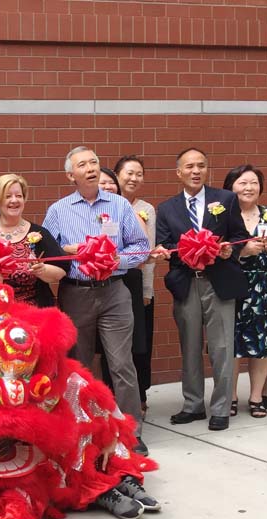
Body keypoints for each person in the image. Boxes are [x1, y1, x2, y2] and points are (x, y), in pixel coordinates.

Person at [42, 147, 150, 457]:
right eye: (82, 165)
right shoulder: (58, 210)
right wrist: (69, 249)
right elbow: (48, 252)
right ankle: (82, 429)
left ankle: (131, 431)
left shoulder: (118, 205)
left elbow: (140, 247)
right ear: (70, 175)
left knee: (122, 365)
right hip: (76, 292)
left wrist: (117, 260)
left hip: (115, 291)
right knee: (79, 366)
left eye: (94, 163)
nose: (90, 168)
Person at [154, 148, 249, 432]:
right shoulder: (167, 208)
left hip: (219, 281)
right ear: (179, 172)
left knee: (222, 346)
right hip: (186, 282)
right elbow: (165, 244)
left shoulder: (226, 199)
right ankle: (193, 405)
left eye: (201, 166)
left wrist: (229, 250)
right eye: (190, 167)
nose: (196, 171)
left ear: (207, 170)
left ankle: (221, 407)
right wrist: (167, 252)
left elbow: (240, 235)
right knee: (190, 346)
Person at [224, 166, 267, 418]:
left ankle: (256, 396)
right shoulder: (224, 215)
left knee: (263, 342)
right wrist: (243, 252)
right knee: (232, 343)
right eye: (243, 183)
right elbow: (218, 252)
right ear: (231, 186)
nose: (249, 188)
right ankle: (229, 395)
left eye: (254, 183)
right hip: (234, 285)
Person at [96, 166, 150, 411]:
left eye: (111, 183)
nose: (108, 187)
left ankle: (133, 403)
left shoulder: (127, 211)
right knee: (100, 350)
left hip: (125, 278)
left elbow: (143, 248)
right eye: (102, 182)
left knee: (128, 349)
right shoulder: (87, 212)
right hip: (94, 283)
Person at [0, 173, 68, 307]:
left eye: (19, 196)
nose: (14, 200)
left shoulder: (40, 233)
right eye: (8, 196)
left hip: (34, 311)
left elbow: (62, 271)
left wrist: (42, 270)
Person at [115, 156, 156, 412]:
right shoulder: (108, 204)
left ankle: (140, 395)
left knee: (140, 343)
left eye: (139, 174)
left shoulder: (146, 208)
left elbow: (148, 253)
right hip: (113, 279)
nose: (134, 178)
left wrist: (148, 290)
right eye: (129, 173)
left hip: (138, 281)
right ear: (118, 175)